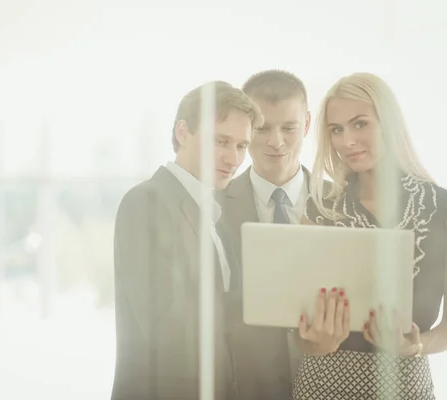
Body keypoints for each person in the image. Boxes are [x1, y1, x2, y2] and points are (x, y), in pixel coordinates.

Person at [294, 72, 447, 399]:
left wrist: (416, 346)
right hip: (324, 385)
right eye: (336, 130)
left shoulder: (441, 208)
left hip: (407, 387)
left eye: (360, 124)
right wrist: (316, 342)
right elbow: (300, 328)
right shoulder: (320, 210)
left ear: (389, 123)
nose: (347, 140)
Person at [111, 81, 262, 399]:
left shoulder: (215, 216)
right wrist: (257, 302)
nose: (233, 158)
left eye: (241, 146)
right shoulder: (147, 202)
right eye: (221, 141)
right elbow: (166, 322)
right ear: (183, 133)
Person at [218, 69, 315, 399]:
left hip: (329, 386)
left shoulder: (343, 206)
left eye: (289, 127)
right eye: (262, 128)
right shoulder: (211, 208)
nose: (277, 142)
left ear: (307, 124)